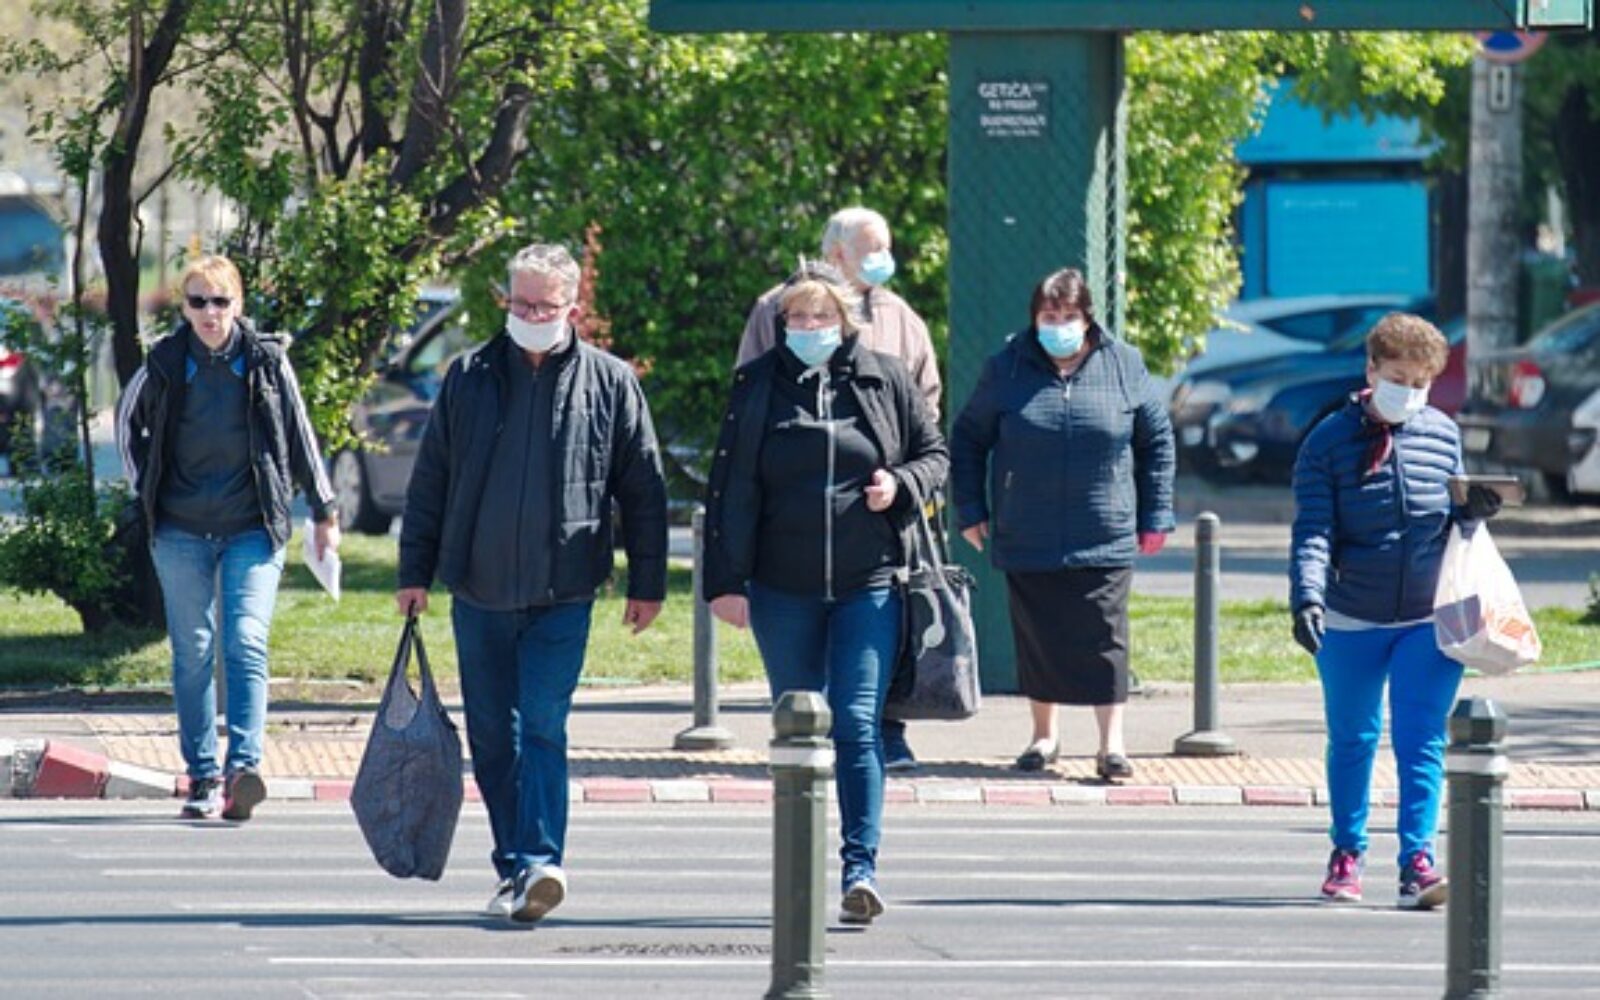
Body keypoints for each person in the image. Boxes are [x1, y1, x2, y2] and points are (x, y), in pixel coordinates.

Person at [396, 243, 667, 923]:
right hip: (478, 590)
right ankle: (514, 866)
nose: (530, 315)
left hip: (563, 592)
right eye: (520, 303)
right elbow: (431, 481)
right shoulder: (469, 376)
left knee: (543, 725)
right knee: (492, 738)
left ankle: (542, 861)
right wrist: (413, 572)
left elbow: (643, 489)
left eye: (544, 306)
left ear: (573, 306)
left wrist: (649, 582)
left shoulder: (611, 383)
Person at [704, 261, 948, 926]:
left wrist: (900, 485)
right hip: (781, 589)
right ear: (781, 323)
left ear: (844, 321)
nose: (810, 326)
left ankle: (860, 868)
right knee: (797, 724)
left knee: (857, 722)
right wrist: (723, 582)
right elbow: (728, 488)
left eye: (822, 316)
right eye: (797, 317)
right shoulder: (757, 384)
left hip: (870, 586)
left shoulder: (883, 377)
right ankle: (800, 866)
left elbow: (935, 456)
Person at [116, 254, 340, 822]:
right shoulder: (166, 361)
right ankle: (202, 775)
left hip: (252, 526)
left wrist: (324, 508)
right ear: (184, 308)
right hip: (179, 528)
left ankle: (243, 771)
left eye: (221, 301)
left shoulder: (266, 360)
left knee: (246, 641)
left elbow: (300, 432)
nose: (210, 312)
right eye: (198, 301)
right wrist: (146, 490)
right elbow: (126, 424)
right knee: (192, 650)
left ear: (238, 304)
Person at [1290, 312, 1502, 910]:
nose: (1408, 392)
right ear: (1371, 370)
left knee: (1421, 738)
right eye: (1397, 378)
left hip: (1427, 616)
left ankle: (1417, 861)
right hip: (1350, 615)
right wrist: (1307, 596)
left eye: (1420, 383)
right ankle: (1346, 853)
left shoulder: (1442, 433)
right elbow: (1313, 530)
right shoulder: (1327, 441)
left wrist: (1474, 510)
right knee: (1354, 738)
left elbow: (1454, 520)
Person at [950, 267, 1174, 780]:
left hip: (1105, 529)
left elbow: (1157, 441)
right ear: (1034, 319)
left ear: (1088, 317)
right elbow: (968, 439)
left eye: (1069, 316)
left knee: (1105, 637)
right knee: (1039, 636)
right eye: (1049, 317)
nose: (1059, 326)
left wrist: (1156, 514)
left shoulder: (1123, 363)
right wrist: (971, 509)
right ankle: (1043, 736)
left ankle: (1111, 745)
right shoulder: (1006, 367)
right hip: (1027, 528)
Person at [738, 206, 939, 773]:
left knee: (876, 648)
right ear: (835, 254)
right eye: (870, 248)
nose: (882, 259)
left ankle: (887, 732)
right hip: (791, 532)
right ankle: (810, 749)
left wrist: (903, 477)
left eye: (886, 246)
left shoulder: (901, 317)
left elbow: (926, 403)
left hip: (879, 517)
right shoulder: (774, 309)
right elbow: (750, 391)